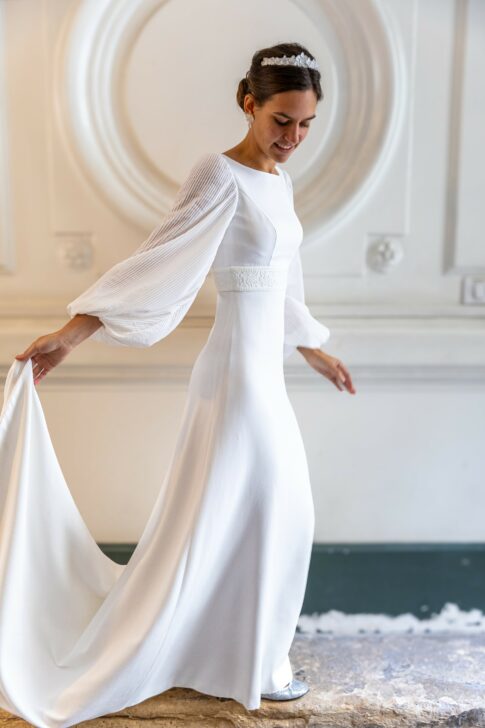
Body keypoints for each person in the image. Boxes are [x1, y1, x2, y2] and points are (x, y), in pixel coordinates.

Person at [0, 42, 355, 727]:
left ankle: (238, 656)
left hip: (266, 373)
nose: (293, 137)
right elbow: (158, 260)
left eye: (306, 125)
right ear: (248, 104)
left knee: (263, 513)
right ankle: (247, 662)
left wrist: (312, 347)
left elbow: (283, 278)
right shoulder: (217, 173)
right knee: (271, 509)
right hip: (234, 374)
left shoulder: (279, 183)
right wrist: (72, 333)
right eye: (281, 120)